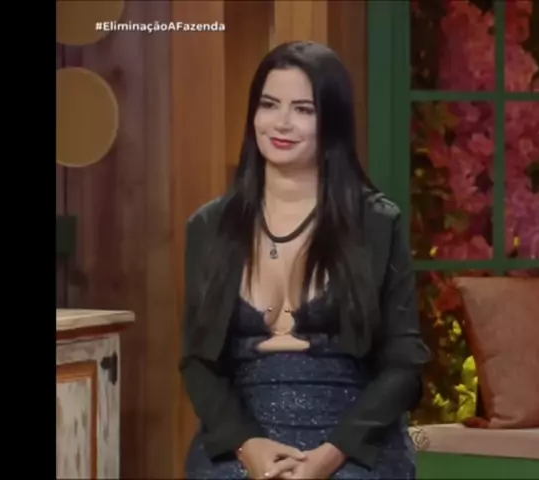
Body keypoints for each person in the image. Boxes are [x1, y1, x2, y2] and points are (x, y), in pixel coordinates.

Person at [179, 41, 430, 479]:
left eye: (303, 109)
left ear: (331, 121)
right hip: (244, 437)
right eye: (269, 105)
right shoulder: (211, 226)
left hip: (352, 440)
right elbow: (198, 363)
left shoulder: (375, 224)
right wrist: (247, 445)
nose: (281, 122)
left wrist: (332, 454)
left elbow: (404, 365)